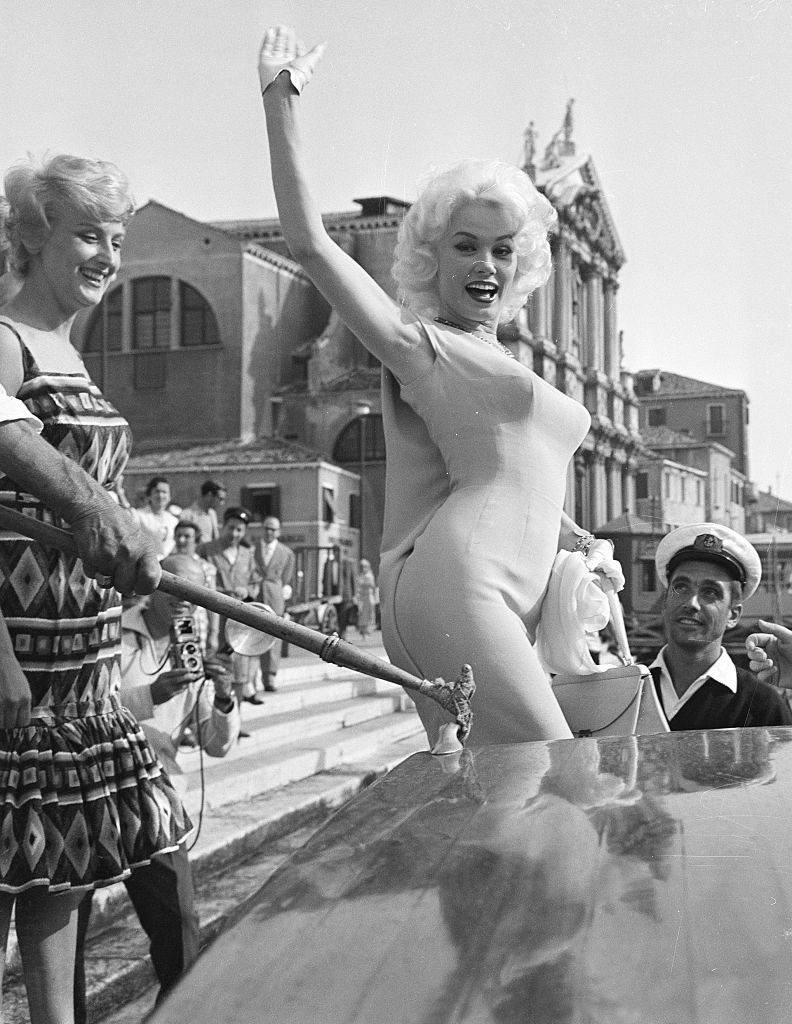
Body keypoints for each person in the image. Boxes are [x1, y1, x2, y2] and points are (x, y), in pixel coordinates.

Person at [257, 26, 623, 748]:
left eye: (501, 249)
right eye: (465, 245)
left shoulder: (498, 359)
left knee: (495, 807)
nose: (485, 264)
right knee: (554, 781)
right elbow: (308, 244)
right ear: (432, 255)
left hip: (507, 582)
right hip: (462, 584)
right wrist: (280, 100)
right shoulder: (421, 346)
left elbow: (514, 476)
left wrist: (580, 540)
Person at [0, 152, 188, 1023]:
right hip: (12, 662)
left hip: (77, 665)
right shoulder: (1, 340)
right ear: (34, 236)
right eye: (87, 234)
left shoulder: (70, 354)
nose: (107, 255)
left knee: (57, 883)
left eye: (117, 238)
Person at [73, 554, 239, 1021]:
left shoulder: (193, 648)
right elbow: (89, 701)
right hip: (94, 789)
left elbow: (216, 743)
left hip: (155, 796)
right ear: (156, 585)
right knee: (71, 925)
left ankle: (178, 1013)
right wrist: (153, 694)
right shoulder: (112, 628)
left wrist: (224, 697)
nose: (185, 604)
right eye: (177, 590)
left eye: (196, 597)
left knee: (179, 923)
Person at [649, 524, 792, 730]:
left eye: (710, 592)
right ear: (664, 602)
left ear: (733, 615)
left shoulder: (763, 707)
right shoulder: (627, 691)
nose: (692, 603)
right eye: (680, 587)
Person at [198, 507, 260, 711]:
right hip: (212, 619)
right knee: (211, 669)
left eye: (239, 530)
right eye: (231, 528)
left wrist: (247, 590)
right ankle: (208, 719)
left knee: (239, 673)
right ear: (223, 526)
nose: (234, 534)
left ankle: (236, 719)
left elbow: (255, 582)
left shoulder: (246, 554)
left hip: (238, 623)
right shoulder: (207, 550)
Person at [252, 515, 295, 693]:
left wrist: (279, 592)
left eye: (273, 529)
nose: (270, 532)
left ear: (279, 531)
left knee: (272, 638)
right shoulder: (252, 550)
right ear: (262, 529)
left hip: (274, 597)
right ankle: (249, 680)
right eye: (267, 528)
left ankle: (269, 677)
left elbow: (286, 578)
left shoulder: (286, 553)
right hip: (254, 596)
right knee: (251, 634)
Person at [174, 518, 220, 653]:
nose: (181, 540)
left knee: (195, 664)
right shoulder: (165, 564)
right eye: (178, 536)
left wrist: (214, 633)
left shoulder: (206, 567)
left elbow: (213, 603)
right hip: (169, 623)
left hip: (197, 623)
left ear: (196, 539)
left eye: (187, 536)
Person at [132, 476, 179, 559]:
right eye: (157, 491)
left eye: (164, 492)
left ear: (169, 497)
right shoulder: (138, 515)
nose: (160, 495)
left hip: (168, 562)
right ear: (149, 495)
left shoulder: (173, 521)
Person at [183, 479, 226, 545]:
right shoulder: (187, 515)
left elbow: (215, 539)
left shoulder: (212, 514)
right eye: (220, 499)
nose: (222, 503)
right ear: (209, 495)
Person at [354, 558, 378, 639]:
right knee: (362, 614)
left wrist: (374, 597)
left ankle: (368, 630)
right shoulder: (360, 576)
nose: (363, 568)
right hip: (362, 597)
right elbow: (357, 587)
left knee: (369, 614)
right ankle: (363, 631)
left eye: (365, 566)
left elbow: (373, 587)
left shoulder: (370, 576)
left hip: (369, 597)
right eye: (362, 567)